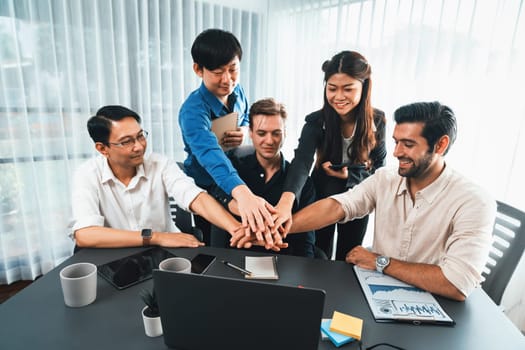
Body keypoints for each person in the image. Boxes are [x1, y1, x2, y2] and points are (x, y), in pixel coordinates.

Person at [257, 101, 495, 301]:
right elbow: (337, 206)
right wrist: (276, 227)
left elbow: (457, 283)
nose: (396, 152)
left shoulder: (474, 202)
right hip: (378, 295)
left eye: (408, 144)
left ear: (440, 145)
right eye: (396, 141)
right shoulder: (385, 179)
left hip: (438, 307)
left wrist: (380, 262)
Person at [71, 105, 242, 248]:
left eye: (140, 136)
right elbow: (85, 234)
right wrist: (155, 237)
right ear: (102, 148)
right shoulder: (87, 174)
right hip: (117, 255)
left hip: (164, 253)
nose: (138, 147)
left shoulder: (160, 164)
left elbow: (195, 197)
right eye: (126, 141)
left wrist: (236, 229)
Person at [272, 50, 387, 260]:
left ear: (364, 87)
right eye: (332, 89)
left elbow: (380, 169)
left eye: (348, 89)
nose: (339, 97)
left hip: (357, 196)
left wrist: (350, 177)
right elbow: (301, 162)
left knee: (349, 256)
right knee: (319, 255)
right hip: (322, 196)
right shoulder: (316, 121)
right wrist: (285, 202)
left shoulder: (377, 120)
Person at [178, 28, 276, 245]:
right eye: (218, 72)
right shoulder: (192, 111)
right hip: (207, 181)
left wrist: (242, 130)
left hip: (237, 171)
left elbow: (246, 117)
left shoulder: (237, 91)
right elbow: (210, 155)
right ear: (198, 69)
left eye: (233, 69)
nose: (227, 80)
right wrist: (243, 194)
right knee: (217, 242)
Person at [210, 98, 316, 257]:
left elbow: (306, 243)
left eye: (276, 133)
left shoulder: (302, 183)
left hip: (284, 262)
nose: (269, 141)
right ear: (251, 134)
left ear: (285, 133)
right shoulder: (233, 170)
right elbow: (216, 201)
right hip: (234, 259)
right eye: (261, 133)